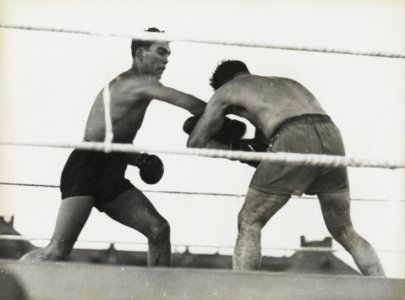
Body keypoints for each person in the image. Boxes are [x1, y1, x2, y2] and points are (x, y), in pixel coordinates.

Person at [20, 27, 208, 266]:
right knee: (57, 250)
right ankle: (8, 283)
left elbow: (111, 139)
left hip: (111, 167)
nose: (166, 59)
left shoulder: (139, 86)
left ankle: (158, 293)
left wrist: (139, 160)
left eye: (168, 54)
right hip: (88, 165)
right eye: (161, 52)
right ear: (140, 53)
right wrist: (227, 109)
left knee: (158, 230)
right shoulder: (138, 83)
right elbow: (191, 104)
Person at [186, 60, 385, 276]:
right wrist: (245, 147)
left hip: (292, 135)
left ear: (223, 82)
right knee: (344, 229)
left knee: (249, 221)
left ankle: (242, 292)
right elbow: (263, 149)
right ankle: (382, 283)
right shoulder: (283, 85)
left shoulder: (226, 91)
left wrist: (228, 141)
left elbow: (195, 142)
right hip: (331, 135)